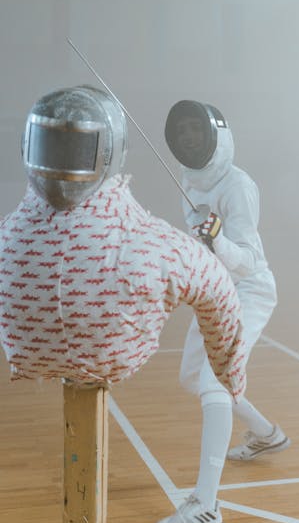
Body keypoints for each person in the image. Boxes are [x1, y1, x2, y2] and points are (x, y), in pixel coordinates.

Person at [0, 86, 246, 400]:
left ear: (26, 147)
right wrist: (231, 376)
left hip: (28, 354)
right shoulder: (158, 248)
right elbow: (219, 292)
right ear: (115, 152)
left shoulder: (6, 240)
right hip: (116, 358)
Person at [156, 99, 290, 523]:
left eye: (197, 129)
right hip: (216, 289)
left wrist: (216, 239)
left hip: (249, 290)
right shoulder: (188, 178)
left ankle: (206, 506)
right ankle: (266, 433)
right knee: (194, 376)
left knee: (216, 380)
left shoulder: (238, 186)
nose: (189, 137)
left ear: (215, 132)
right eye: (183, 132)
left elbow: (250, 260)